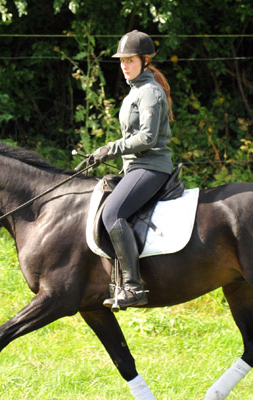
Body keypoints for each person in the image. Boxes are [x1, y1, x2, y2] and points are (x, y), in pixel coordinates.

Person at [89, 30, 174, 309]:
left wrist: (110, 149)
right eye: (122, 61)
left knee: (113, 213)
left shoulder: (149, 92)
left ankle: (134, 287)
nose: (124, 65)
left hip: (151, 166)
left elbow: (147, 138)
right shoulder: (136, 90)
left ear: (145, 60)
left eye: (130, 60)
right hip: (136, 166)